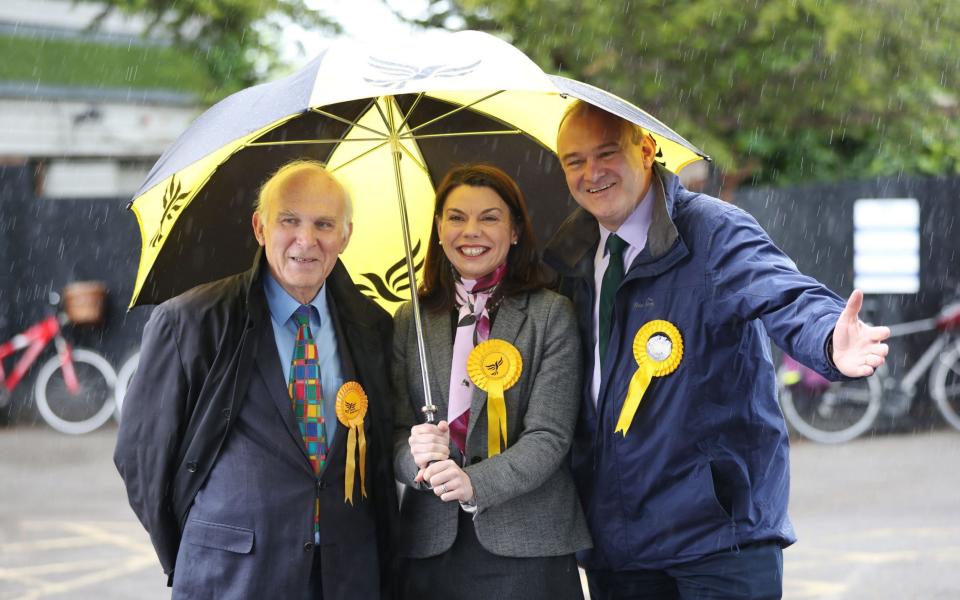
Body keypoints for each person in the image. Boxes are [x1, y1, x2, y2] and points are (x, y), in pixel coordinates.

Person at [543, 102, 891, 600]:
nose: (591, 173)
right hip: (617, 543)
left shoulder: (712, 229)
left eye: (606, 153)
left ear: (646, 150)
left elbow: (783, 291)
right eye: (574, 161)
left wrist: (829, 341)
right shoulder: (569, 255)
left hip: (717, 535)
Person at [115, 160, 398, 599]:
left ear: (345, 236)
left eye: (324, 224)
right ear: (260, 227)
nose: (306, 240)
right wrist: (192, 546)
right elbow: (141, 455)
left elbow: (378, 454)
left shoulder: (373, 326)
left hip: (347, 576)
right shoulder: (191, 321)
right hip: (232, 576)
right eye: (289, 220)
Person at [392, 164, 591, 599]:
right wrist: (420, 464)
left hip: (528, 545)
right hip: (430, 546)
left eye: (489, 217)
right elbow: (391, 434)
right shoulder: (412, 320)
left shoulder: (550, 315)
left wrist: (474, 483)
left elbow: (549, 436)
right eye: (457, 217)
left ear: (515, 230)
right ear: (439, 230)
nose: (471, 231)